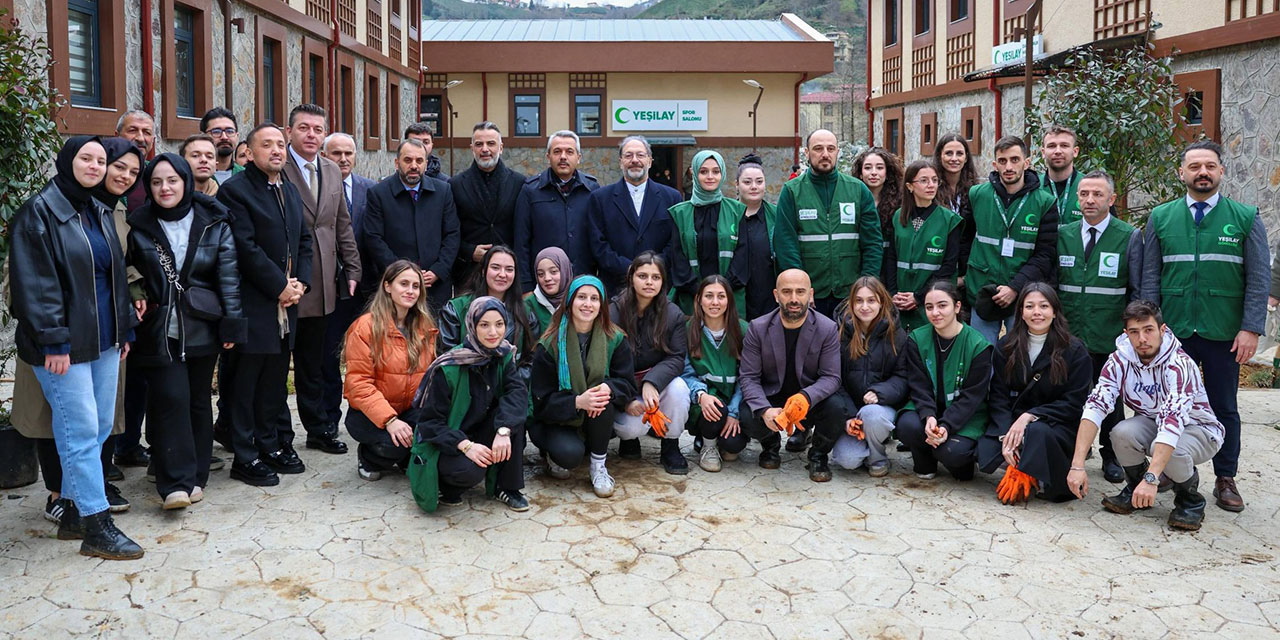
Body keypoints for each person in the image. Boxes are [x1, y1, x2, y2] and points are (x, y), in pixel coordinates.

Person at [10, 136, 144, 559]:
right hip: (63, 346)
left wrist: (125, 330)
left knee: (99, 427)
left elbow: (114, 276)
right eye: (86, 158)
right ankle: (96, 526)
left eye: (100, 161)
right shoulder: (39, 213)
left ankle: (71, 513)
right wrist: (53, 340)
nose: (94, 166)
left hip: (104, 340)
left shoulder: (97, 210)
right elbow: (35, 285)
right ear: (68, 161)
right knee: (80, 431)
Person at [1139, 140, 1267, 513]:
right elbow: (1150, 278)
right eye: (1194, 166)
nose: (1203, 173)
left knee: (1223, 406)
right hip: (1173, 331)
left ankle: (1225, 477)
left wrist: (1250, 328)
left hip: (1223, 331)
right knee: (1165, 403)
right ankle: (1167, 468)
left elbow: (1259, 278)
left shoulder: (1245, 217)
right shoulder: (1161, 217)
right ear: (1182, 173)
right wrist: (1149, 329)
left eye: (1210, 166)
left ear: (1221, 171)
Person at [126, 154, 245, 509]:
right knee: (169, 399)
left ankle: (196, 476)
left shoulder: (214, 221)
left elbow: (228, 275)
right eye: (157, 182)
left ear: (186, 182)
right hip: (159, 328)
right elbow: (128, 268)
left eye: (172, 180)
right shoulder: (139, 225)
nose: (165, 188)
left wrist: (232, 323)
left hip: (202, 324)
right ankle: (174, 483)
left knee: (196, 401)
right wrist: (136, 291)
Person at [1067, 301, 1224, 531]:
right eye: (1134, 332)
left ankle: (1189, 500)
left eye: (1148, 330)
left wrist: (1153, 478)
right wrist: (1077, 465)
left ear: (1162, 329)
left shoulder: (1179, 364)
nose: (1142, 339)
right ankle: (1135, 488)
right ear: (1126, 334)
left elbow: (1172, 422)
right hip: (1154, 422)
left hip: (1198, 429)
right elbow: (1095, 406)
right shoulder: (1119, 361)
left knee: (1174, 450)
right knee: (1121, 432)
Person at [215, 123, 313, 487]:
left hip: (287, 305)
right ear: (250, 151)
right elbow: (245, 247)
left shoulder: (288, 188)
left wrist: (301, 283)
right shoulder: (236, 191)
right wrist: (279, 286)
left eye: (280, 145)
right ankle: (245, 455)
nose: (276, 151)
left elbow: (304, 240)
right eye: (266, 145)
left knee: (274, 381)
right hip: (254, 303)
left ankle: (269, 445)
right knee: (245, 384)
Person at [281, 103, 360, 456]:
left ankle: (318, 429)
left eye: (317, 129)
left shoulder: (330, 169)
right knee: (277, 366)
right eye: (304, 128)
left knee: (314, 364)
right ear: (289, 132)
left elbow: (342, 224)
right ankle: (278, 435)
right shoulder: (278, 168)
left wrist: (353, 268)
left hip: (324, 283)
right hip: (285, 283)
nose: (311, 135)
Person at [1056, 170, 1142, 483]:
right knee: (1069, 394)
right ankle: (1070, 451)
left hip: (1109, 333)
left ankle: (1112, 456)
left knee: (1110, 398)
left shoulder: (1128, 236)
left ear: (1111, 199)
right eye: (1084, 194)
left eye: (1097, 194)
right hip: (1069, 333)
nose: (1089, 200)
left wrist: (1131, 332)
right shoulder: (1063, 234)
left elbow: (1136, 289)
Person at [411, 296, 529, 512]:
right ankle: (447, 488)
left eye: (499, 324)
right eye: (484, 325)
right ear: (472, 326)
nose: (493, 332)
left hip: (479, 431)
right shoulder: (449, 366)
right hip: (448, 442)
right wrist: (465, 445)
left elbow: (517, 393)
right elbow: (430, 424)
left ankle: (507, 487)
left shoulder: (502, 354)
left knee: (513, 419)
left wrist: (503, 430)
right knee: (470, 470)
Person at [976, 283, 1092, 502]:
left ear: (1055, 311)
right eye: (1029, 306)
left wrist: (1030, 416)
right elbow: (998, 395)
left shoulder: (1075, 350)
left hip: (1056, 424)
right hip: (1015, 421)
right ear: (1021, 312)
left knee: (1037, 433)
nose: (1037, 312)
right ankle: (1020, 461)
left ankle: (1032, 472)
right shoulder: (1006, 345)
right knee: (983, 448)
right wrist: (1006, 434)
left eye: (1044, 306)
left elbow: (1074, 403)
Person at [737, 269, 848, 481]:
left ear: (811, 294)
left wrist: (806, 397)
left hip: (809, 399)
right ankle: (770, 444)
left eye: (800, 291)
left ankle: (818, 455)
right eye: (786, 292)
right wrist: (764, 410)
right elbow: (749, 377)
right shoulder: (757, 328)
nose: (794, 299)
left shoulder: (827, 328)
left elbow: (832, 377)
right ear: (776, 295)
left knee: (836, 407)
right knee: (747, 412)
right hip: (773, 396)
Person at [530, 276, 635, 494]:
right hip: (557, 420)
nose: (588, 304)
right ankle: (552, 453)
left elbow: (627, 383)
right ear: (570, 301)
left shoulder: (615, 338)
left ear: (602, 305)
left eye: (594, 299)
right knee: (570, 455)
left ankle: (598, 466)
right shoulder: (550, 344)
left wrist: (609, 388)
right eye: (582, 297)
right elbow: (540, 401)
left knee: (602, 396)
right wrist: (577, 402)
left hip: (596, 417)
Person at [343, 260, 438, 480]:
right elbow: (358, 384)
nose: (410, 291)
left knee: (432, 434)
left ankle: (404, 456)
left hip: (409, 409)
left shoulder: (425, 327)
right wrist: (390, 421)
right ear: (387, 286)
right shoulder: (365, 327)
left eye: (416, 286)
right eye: (403, 284)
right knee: (393, 446)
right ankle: (368, 457)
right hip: (369, 413)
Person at [960, 135, 1059, 345]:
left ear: (1026, 162)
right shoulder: (977, 195)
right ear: (995, 165)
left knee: (1019, 354)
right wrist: (966, 276)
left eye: (1015, 160)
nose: (1008, 167)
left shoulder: (1045, 202)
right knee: (981, 353)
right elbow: (964, 240)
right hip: (982, 291)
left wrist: (1014, 287)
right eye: (1002, 161)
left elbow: (1045, 255)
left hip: (1022, 294)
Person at [774, 129, 883, 318]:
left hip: (850, 292)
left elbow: (873, 244)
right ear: (807, 153)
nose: (825, 154)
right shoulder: (792, 191)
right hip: (812, 294)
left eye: (831, 148)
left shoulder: (858, 190)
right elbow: (786, 244)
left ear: (837, 152)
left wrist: (865, 287)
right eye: (818, 148)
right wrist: (800, 289)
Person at [897, 281, 992, 481]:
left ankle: (954, 457)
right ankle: (925, 458)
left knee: (953, 455)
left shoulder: (978, 345)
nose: (935, 313)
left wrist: (946, 426)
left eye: (942, 305)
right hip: (930, 410)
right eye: (929, 307)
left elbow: (972, 397)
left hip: (963, 416)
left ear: (957, 307)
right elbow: (918, 385)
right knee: (907, 426)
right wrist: (928, 416)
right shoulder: (917, 339)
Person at [609, 252, 691, 474]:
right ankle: (629, 441)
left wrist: (652, 381)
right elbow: (607, 362)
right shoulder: (614, 311)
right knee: (630, 428)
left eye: (655, 277)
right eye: (642, 276)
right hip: (624, 385)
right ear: (631, 278)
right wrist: (626, 400)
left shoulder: (673, 314)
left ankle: (670, 445)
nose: (649, 282)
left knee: (679, 389)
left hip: (656, 384)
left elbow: (676, 357)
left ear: (663, 281)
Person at [361, 138, 461, 312]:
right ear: (397, 163)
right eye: (408, 160)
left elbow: (452, 234)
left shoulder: (443, 191)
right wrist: (400, 273)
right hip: (395, 287)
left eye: (419, 161)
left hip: (435, 286)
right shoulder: (378, 193)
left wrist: (438, 270)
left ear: (426, 164)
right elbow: (373, 238)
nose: (414, 166)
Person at [322, 131, 378, 428]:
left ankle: (369, 414)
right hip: (329, 286)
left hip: (367, 286)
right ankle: (330, 419)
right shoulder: (316, 188)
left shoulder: (371, 190)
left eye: (348, 153)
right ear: (324, 156)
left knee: (368, 355)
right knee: (329, 353)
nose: (343, 159)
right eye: (336, 153)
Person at [830, 276, 907, 476]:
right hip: (851, 409)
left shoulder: (896, 334)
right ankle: (865, 442)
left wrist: (879, 392)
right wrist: (848, 416)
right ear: (851, 303)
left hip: (881, 407)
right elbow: (833, 379)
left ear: (882, 302)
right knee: (847, 459)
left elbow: (902, 376)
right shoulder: (839, 333)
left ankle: (877, 456)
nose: (865, 307)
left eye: (871, 300)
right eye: (859, 301)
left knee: (872, 415)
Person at [587, 135, 683, 294]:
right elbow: (598, 244)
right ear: (620, 162)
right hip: (616, 288)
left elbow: (675, 242)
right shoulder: (600, 198)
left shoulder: (672, 198)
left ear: (649, 161)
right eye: (628, 155)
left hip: (658, 288)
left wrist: (651, 269)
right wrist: (630, 269)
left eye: (640, 155)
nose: (634, 160)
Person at [513, 130, 600, 293]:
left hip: (582, 282)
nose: (563, 157)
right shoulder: (531, 190)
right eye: (557, 151)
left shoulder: (592, 189)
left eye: (569, 152)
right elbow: (521, 242)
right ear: (548, 157)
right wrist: (525, 286)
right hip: (543, 284)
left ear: (579, 157)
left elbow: (599, 238)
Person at [681, 276, 750, 472]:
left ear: (729, 300)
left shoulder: (743, 330)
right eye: (709, 296)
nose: (715, 302)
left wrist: (734, 412)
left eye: (721, 296)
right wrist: (701, 395)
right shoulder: (688, 329)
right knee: (715, 408)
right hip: (704, 404)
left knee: (733, 446)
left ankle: (719, 439)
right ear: (699, 299)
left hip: (734, 403)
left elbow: (747, 376)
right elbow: (684, 372)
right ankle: (708, 445)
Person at [884, 160, 962, 332]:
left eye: (934, 180)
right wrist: (893, 294)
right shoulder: (898, 217)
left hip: (931, 300)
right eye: (924, 180)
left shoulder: (949, 220)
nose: (931, 185)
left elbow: (949, 266)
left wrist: (919, 297)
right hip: (900, 301)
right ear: (910, 186)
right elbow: (891, 258)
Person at [448, 122, 525, 290]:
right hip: (469, 274)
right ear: (472, 148)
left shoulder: (519, 183)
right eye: (479, 144)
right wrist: (469, 251)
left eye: (491, 143)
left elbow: (524, 231)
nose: (485, 149)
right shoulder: (455, 185)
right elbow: (449, 231)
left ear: (501, 148)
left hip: (508, 275)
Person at [668, 150, 747, 313]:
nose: (710, 177)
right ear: (694, 174)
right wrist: (700, 292)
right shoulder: (679, 213)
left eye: (716, 171)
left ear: (722, 174)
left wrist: (720, 292)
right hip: (691, 299)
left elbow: (742, 255)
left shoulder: (737, 211)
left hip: (729, 297)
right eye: (703, 172)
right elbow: (677, 258)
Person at [440, 246, 535, 358]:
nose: (502, 274)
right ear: (483, 271)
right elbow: (447, 357)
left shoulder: (526, 312)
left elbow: (531, 358)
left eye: (509, 269)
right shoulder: (456, 309)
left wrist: (512, 369)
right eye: (495, 268)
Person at [727, 153, 777, 321]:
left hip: (767, 296)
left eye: (759, 182)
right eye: (747, 182)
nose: (754, 187)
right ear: (736, 184)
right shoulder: (726, 214)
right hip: (733, 296)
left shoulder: (776, 215)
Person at [851, 147, 904, 280]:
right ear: (860, 173)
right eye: (868, 168)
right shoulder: (851, 200)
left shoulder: (901, 201)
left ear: (888, 172)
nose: (874, 173)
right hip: (860, 266)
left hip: (891, 267)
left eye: (879, 168)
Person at [1039, 125, 1083, 225]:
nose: (1058, 151)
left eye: (1064, 145)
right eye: (1051, 146)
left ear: (1075, 151)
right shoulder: (1033, 187)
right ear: (1043, 152)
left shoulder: (1091, 186)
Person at [524, 247, 571, 338]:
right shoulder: (528, 305)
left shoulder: (576, 301)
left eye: (553, 272)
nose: (547, 278)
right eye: (540, 274)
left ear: (565, 271)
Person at [116, 110, 157, 212]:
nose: (140, 138)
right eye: (132, 130)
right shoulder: (103, 172)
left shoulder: (156, 173)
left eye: (147, 132)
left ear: (153, 140)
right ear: (117, 135)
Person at [933, 133, 979, 219]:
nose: (954, 158)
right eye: (949, 153)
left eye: (959, 154)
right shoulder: (931, 188)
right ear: (940, 156)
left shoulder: (974, 190)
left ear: (966, 158)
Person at [200, 107, 243, 184]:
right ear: (203, 136)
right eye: (216, 132)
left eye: (230, 131)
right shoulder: (192, 176)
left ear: (237, 136)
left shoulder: (247, 176)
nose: (224, 137)